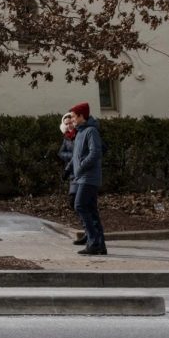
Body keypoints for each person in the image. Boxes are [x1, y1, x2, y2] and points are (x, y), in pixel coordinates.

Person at [69, 102, 106, 256]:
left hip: (89, 177)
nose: (71, 120)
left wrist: (82, 166)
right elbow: (77, 155)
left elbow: (95, 152)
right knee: (91, 210)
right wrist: (70, 169)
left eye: (73, 117)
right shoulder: (80, 132)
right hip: (81, 177)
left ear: (81, 116)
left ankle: (93, 242)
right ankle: (100, 245)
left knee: (80, 206)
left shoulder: (91, 131)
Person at [58, 112, 85, 246]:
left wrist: (73, 157)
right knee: (74, 202)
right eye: (66, 123)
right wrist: (71, 156)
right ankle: (87, 229)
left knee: (79, 203)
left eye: (70, 123)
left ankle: (89, 231)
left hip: (79, 172)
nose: (69, 125)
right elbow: (61, 153)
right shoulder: (66, 138)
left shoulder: (78, 136)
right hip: (72, 173)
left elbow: (78, 155)